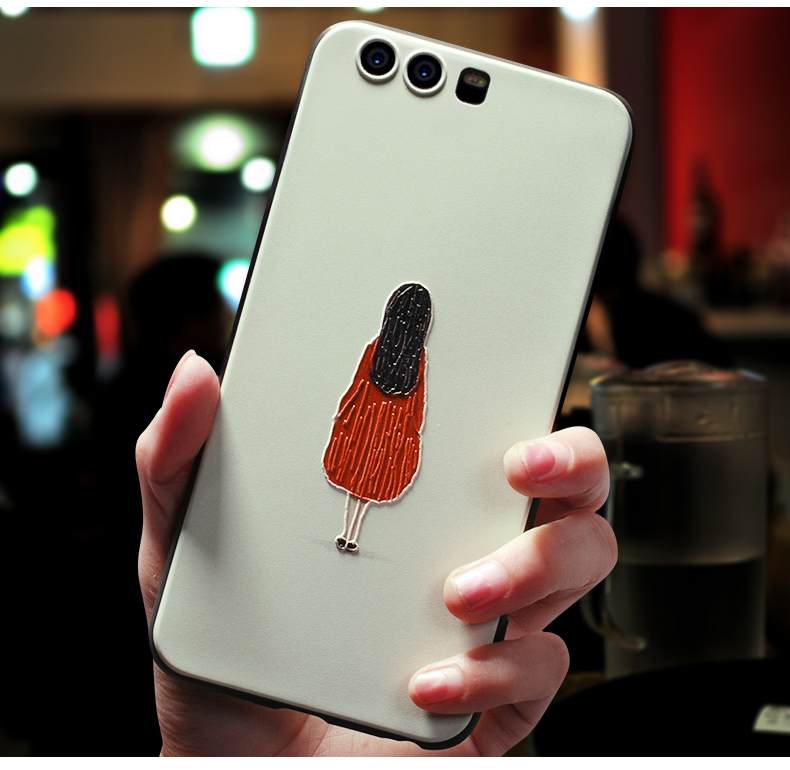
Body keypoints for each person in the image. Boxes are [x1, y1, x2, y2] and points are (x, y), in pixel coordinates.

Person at [136, 351, 615, 756]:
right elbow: (416, 408)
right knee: (370, 491)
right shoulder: (417, 362)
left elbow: (355, 388)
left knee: (351, 488)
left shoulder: (376, 350)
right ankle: (354, 534)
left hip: (366, 423)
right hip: (390, 433)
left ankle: (346, 535)